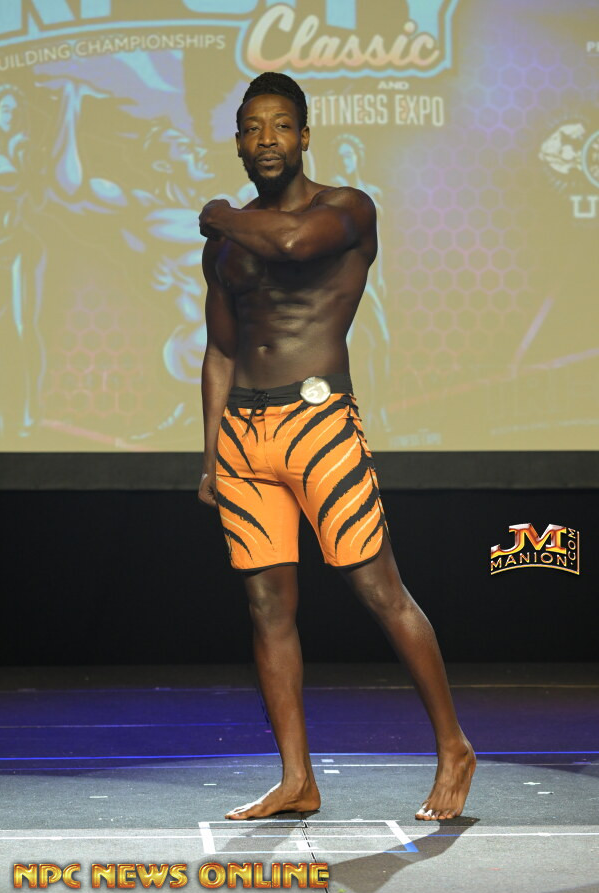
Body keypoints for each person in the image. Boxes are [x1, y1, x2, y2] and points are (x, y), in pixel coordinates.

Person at [197, 72, 475, 821]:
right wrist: (210, 453)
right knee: (266, 606)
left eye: (280, 126)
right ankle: (297, 779)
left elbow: (292, 244)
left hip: (319, 426)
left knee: (379, 589)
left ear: (304, 136)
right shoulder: (227, 245)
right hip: (244, 437)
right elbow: (220, 350)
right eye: (252, 128)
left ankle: (453, 745)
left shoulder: (346, 208)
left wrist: (219, 215)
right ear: (238, 142)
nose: (266, 140)